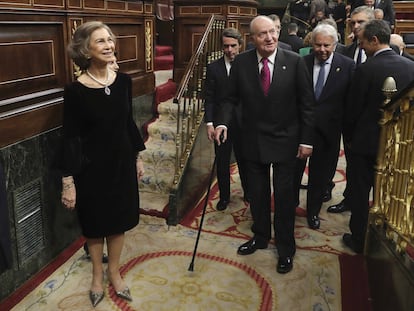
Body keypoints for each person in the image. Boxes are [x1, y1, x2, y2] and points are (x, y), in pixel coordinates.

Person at [214, 15, 315, 274]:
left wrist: (306, 140)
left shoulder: (294, 62)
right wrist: (222, 123)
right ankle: (260, 236)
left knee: (283, 198)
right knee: (257, 195)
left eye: (272, 32)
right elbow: (228, 99)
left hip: (286, 141)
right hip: (252, 141)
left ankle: (285, 248)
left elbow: (307, 105)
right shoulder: (242, 63)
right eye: (262, 34)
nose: (269, 38)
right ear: (252, 39)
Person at [61, 21, 145, 307]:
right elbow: (70, 137)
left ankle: (114, 271)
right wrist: (68, 180)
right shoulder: (75, 91)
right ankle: (97, 275)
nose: (109, 45)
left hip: (121, 164)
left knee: (119, 221)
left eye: (110, 39)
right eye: (101, 41)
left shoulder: (123, 81)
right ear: (86, 50)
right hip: (91, 169)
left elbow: (128, 123)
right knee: (96, 224)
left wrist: (138, 156)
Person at [342, 19, 414, 253]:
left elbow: (352, 110)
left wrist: (349, 138)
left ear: (374, 40)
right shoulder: (410, 65)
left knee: (361, 194)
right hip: (398, 145)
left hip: (364, 144)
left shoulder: (366, 69)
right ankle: (387, 236)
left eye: (363, 43)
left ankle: (359, 238)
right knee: (392, 191)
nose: (360, 47)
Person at [294, 24, 355, 229]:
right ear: (312, 44)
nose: (321, 49)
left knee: (319, 177)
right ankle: (290, 204)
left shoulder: (347, 66)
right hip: (300, 130)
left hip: (329, 132)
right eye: (317, 45)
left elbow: (349, 101)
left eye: (326, 45)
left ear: (335, 45)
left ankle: (313, 212)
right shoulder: (301, 62)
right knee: (294, 172)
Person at [204, 27, 249, 210]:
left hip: (243, 124)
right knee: (222, 162)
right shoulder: (213, 68)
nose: (229, 50)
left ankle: (249, 192)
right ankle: (224, 197)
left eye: (233, 46)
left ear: (240, 45)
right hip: (220, 124)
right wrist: (209, 123)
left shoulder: (248, 66)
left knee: (245, 161)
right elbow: (209, 98)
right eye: (225, 46)